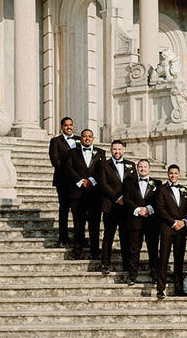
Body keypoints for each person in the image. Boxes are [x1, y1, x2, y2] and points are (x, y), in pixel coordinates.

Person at [152, 164, 187, 299]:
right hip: (167, 229)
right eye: (171, 173)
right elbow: (160, 209)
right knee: (163, 259)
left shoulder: (185, 190)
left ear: (179, 174)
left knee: (179, 260)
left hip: (181, 230)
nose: (173, 175)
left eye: (175, 173)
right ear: (167, 174)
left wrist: (183, 221)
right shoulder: (161, 189)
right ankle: (160, 289)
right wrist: (173, 222)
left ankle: (178, 289)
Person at [97, 139, 136, 274]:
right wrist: (117, 197)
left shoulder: (131, 165)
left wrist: (126, 199)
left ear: (123, 150)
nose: (117, 152)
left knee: (125, 237)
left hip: (126, 207)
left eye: (119, 149)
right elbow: (103, 184)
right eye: (114, 149)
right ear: (110, 150)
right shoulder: (104, 165)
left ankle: (126, 265)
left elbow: (134, 185)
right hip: (110, 206)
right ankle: (105, 263)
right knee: (108, 236)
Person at [66, 128, 105, 259]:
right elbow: (69, 168)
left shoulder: (101, 152)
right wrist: (81, 181)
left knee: (94, 224)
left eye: (89, 136)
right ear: (81, 138)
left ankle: (95, 251)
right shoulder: (72, 152)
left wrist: (92, 180)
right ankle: (77, 250)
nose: (87, 138)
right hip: (77, 194)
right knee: (78, 223)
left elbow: (102, 171)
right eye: (84, 136)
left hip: (94, 194)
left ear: (93, 138)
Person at [122, 159, 160, 285]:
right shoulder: (129, 184)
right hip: (135, 221)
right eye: (140, 167)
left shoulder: (157, 183)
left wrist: (149, 209)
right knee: (134, 250)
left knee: (153, 249)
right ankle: (132, 275)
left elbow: (159, 201)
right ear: (137, 168)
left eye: (145, 167)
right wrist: (138, 210)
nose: (143, 169)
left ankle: (155, 274)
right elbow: (127, 200)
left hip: (151, 221)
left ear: (149, 169)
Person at [47, 116, 79, 247]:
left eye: (70, 125)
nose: (69, 127)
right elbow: (55, 161)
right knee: (64, 209)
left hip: (78, 182)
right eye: (66, 125)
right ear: (61, 127)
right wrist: (71, 171)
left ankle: (79, 238)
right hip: (63, 180)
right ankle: (63, 238)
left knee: (78, 211)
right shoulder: (55, 141)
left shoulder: (79, 140)